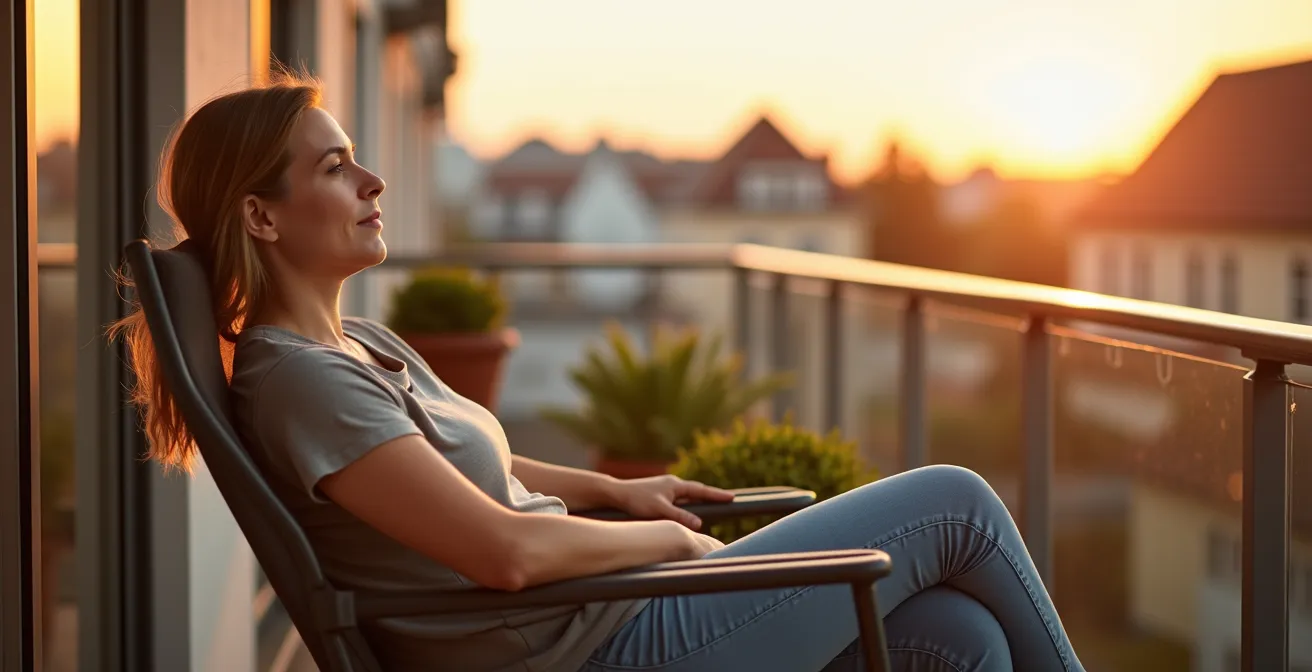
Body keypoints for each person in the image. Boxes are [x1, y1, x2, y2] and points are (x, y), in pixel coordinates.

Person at [111, 72, 1086, 672]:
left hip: (615, 623)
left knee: (963, 642)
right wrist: (655, 542)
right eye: (333, 168)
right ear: (261, 216)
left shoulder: (358, 343)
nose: (371, 183)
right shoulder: (300, 383)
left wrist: (621, 490)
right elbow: (506, 553)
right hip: (597, 651)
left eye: (358, 160)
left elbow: (482, 474)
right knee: (955, 500)